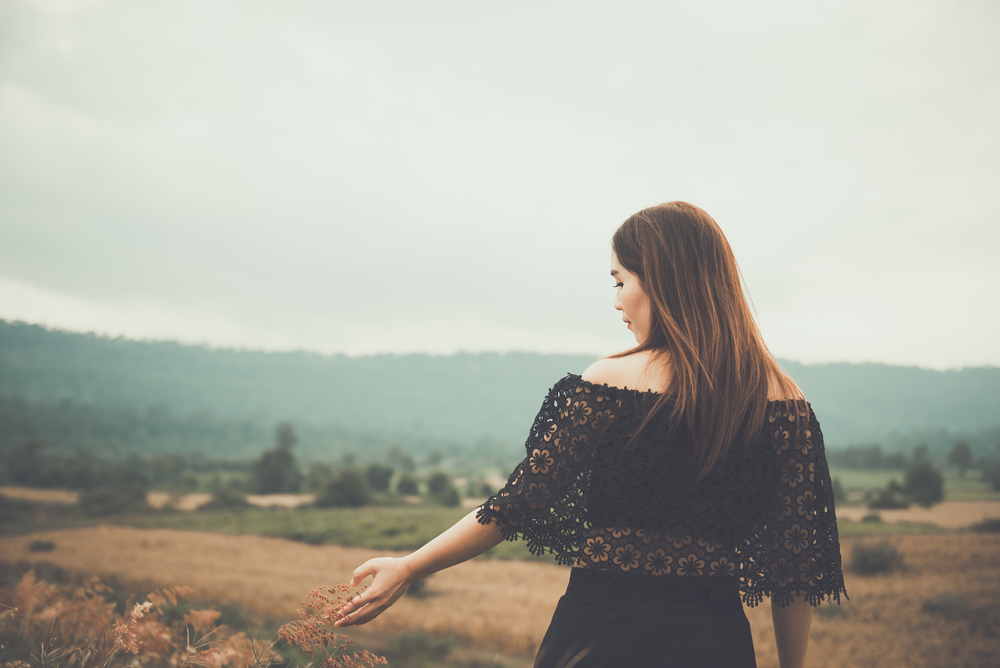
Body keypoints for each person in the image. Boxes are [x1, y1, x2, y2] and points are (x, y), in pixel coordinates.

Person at [334, 202, 846, 668]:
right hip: (715, 642)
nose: (618, 301)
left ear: (663, 280)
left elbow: (515, 505)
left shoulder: (609, 381)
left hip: (600, 632)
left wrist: (408, 566)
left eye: (620, 281)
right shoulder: (786, 403)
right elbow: (794, 567)